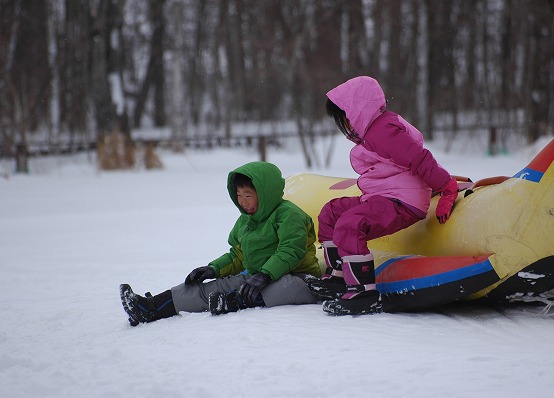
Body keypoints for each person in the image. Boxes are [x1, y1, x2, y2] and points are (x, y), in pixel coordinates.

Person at [308, 76, 459, 316]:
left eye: (344, 115)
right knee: (331, 213)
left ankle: (363, 292)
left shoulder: (383, 130)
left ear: (356, 110)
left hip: (402, 201)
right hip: (383, 196)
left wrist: (447, 187)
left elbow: (419, 158)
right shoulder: (373, 131)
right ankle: (338, 276)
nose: (345, 123)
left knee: (349, 224)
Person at [119, 161, 322, 326]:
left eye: (249, 196)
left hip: (298, 278)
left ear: (265, 194)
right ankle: (150, 308)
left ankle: (234, 301)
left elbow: (290, 251)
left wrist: (266, 274)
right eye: (239, 196)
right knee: (210, 287)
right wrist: (212, 269)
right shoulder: (246, 221)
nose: (243, 202)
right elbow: (238, 256)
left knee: (286, 286)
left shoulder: (289, 215)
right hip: (256, 278)